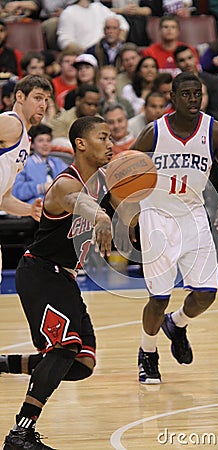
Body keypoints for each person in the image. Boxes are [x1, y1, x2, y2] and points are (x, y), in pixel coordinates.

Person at [0, 116, 113, 448]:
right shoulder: (66, 182)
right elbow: (79, 203)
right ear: (80, 143)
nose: (110, 143)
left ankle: (5, 363)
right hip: (41, 272)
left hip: (64, 279)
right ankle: (20, 433)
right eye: (102, 137)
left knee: (81, 363)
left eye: (110, 138)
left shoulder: (103, 181)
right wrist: (101, 216)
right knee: (64, 347)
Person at [132, 72, 218, 383]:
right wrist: (129, 213)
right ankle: (148, 353)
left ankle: (177, 324)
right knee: (159, 297)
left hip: (193, 215)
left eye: (198, 94)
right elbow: (126, 174)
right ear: (173, 97)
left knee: (207, 293)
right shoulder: (154, 133)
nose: (194, 100)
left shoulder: (214, 131)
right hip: (157, 215)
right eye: (187, 94)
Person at [0, 75, 53, 284]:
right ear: (20, 96)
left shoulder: (24, 140)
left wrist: (29, 210)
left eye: (46, 100)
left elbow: (4, 199)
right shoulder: (12, 123)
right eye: (38, 98)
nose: (43, 105)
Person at [12, 124, 67, 204]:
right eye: (41, 140)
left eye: (48, 140)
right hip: (33, 209)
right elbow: (16, 191)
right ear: (32, 144)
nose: (45, 144)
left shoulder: (58, 162)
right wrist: (40, 188)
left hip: (59, 206)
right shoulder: (24, 164)